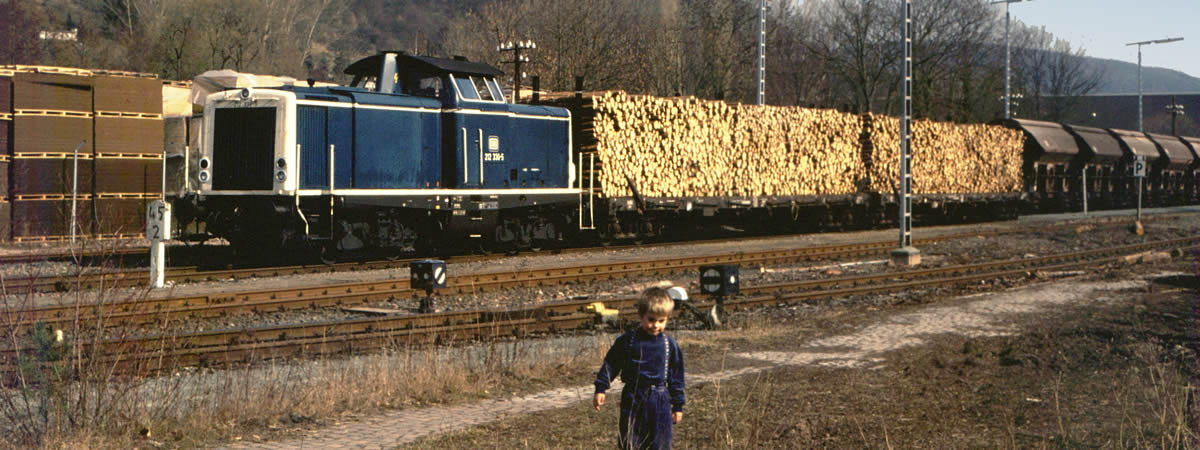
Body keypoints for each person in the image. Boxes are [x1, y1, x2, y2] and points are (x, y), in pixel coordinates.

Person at [593, 286, 686, 449]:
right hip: (633, 397)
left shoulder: (669, 345)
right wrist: (601, 387)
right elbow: (612, 363)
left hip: (660, 399)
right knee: (630, 441)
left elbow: (676, 376)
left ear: (667, 319)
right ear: (641, 316)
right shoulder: (628, 341)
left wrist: (677, 405)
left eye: (661, 321)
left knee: (661, 443)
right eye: (651, 319)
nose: (655, 325)